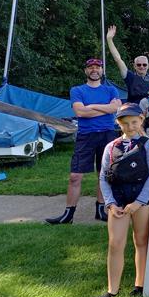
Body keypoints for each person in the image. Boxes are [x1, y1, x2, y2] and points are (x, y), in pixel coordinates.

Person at [46, 58, 121, 224]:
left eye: (98, 67)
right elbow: (80, 112)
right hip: (86, 136)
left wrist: (92, 106)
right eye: (91, 67)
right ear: (86, 71)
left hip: (107, 135)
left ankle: (101, 210)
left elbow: (115, 108)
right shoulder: (77, 90)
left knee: (104, 174)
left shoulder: (111, 90)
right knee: (75, 176)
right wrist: (104, 108)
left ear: (102, 70)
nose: (94, 70)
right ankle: (68, 215)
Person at [97, 102, 149, 297]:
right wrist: (110, 203)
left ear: (141, 120)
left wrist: (139, 202)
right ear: (118, 123)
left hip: (141, 198)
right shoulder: (110, 146)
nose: (130, 126)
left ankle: (140, 285)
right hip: (118, 199)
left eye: (134, 122)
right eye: (125, 123)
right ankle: (112, 290)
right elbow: (103, 177)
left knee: (141, 240)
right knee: (115, 243)